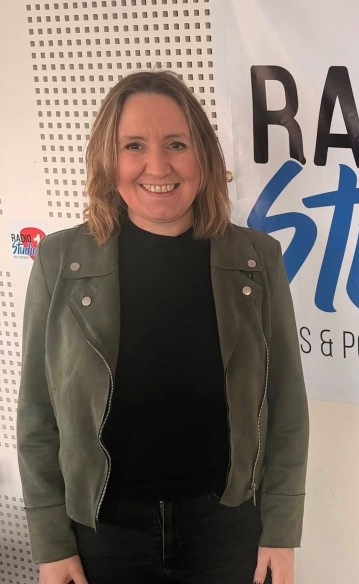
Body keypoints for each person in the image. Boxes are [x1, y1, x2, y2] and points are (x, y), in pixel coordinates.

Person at [16, 70, 309, 584]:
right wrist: (52, 543)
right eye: (133, 146)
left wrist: (280, 533)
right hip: (102, 536)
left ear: (204, 157)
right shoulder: (60, 261)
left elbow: (285, 405)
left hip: (226, 529)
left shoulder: (257, 259)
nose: (158, 166)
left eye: (177, 144)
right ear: (108, 161)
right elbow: (38, 416)